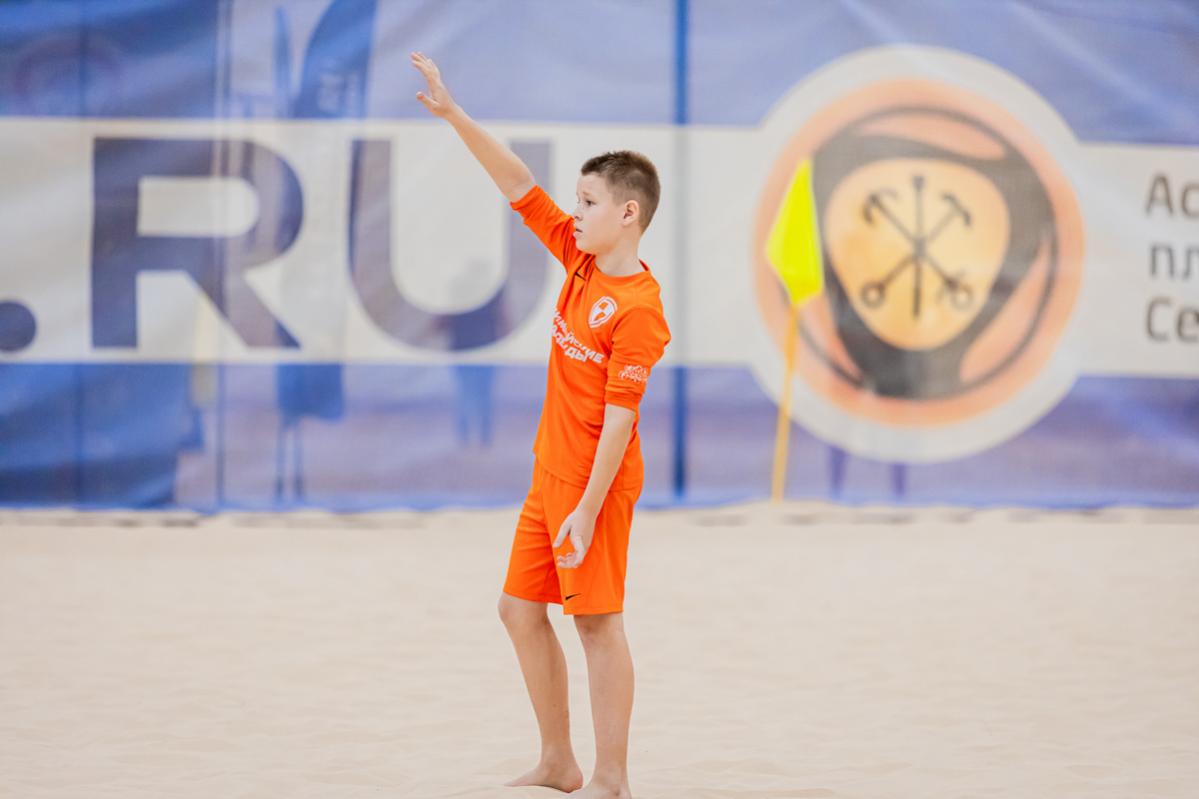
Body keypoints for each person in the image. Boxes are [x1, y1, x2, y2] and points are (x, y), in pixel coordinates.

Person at [411, 52, 670, 799]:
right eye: (575, 201)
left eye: (587, 201)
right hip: (549, 471)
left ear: (627, 214)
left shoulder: (638, 310)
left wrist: (587, 509)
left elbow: (619, 421)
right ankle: (559, 761)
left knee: (597, 623)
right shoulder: (580, 262)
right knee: (519, 609)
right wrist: (454, 114)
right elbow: (517, 182)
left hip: (594, 484)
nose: (573, 212)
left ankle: (612, 777)